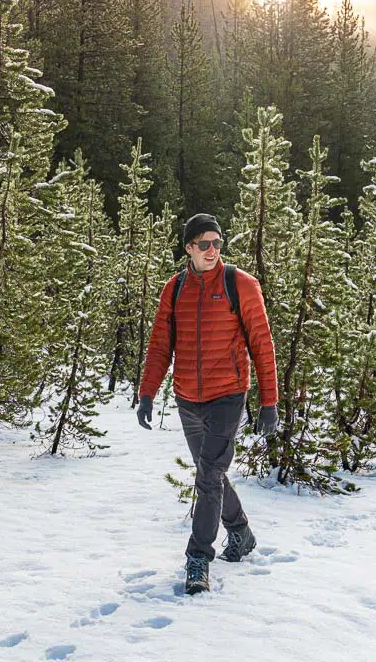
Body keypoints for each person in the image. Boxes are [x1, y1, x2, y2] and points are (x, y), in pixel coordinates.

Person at [136, 213, 279, 595]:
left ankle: (198, 557)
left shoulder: (241, 285)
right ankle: (241, 532)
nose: (213, 250)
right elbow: (160, 345)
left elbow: (262, 346)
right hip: (187, 398)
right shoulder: (176, 288)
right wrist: (147, 392)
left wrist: (269, 401)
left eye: (218, 243)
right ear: (189, 248)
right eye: (205, 244)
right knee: (210, 472)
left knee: (207, 477)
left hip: (228, 396)